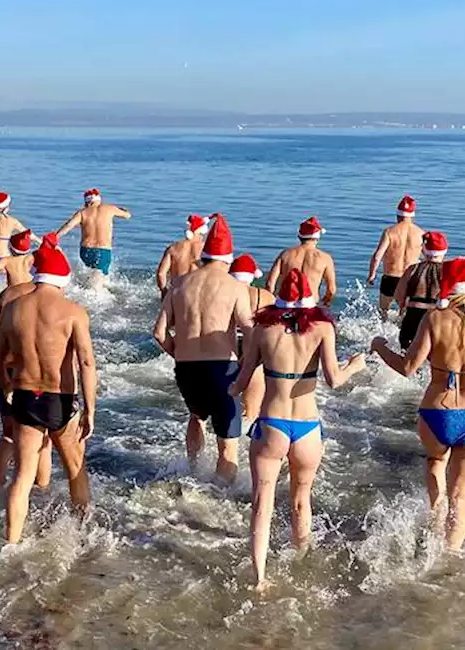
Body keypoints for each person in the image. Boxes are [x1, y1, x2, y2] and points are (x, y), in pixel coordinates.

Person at [230, 269, 366, 591]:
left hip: (271, 425)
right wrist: (355, 366)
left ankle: (260, 578)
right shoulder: (322, 328)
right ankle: (302, 561)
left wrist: (226, 392)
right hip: (307, 427)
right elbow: (334, 380)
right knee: (301, 501)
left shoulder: (263, 329)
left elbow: (242, 380)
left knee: (262, 504)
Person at [371, 257, 465, 550]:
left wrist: (380, 347)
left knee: (435, 463)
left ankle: (434, 521)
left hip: (437, 411)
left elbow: (408, 367)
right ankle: (451, 553)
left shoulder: (435, 318)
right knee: (462, 495)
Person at [0, 236, 97, 543]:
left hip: (26, 397)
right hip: (60, 400)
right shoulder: (73, 311)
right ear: (62, 279)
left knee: (23, 478)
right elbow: (87, 363)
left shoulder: (13, 308)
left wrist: (8, 387)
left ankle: (11, 543)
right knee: (75, 471)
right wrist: (90, 409)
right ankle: (81, 536)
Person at [153, 214, 254, 483]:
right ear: (228, 259)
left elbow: (159, 332)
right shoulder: (235, 287)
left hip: (186, 368)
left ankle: (193, 471)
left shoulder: (179, 284)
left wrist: (179, 352)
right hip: (223, 367)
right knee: (227, 441)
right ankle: (221, 494)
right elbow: (249, 329)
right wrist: (246, 360)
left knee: (196, 416)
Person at [0, 247, 53, 495]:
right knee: (43, 436)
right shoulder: (56, 298)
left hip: (7, 371)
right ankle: (42, 487)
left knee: (8, 432)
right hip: (37, 373)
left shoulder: (9, 294)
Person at [55, 188, 131, 288]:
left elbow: (68, 225)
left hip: (85, 251)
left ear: (87, 202)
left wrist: (55, 237)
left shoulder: (82, 213)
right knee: (101, 279)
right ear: (99, 199)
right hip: (103, 251)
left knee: (90, 275)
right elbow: (127, 216)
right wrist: (124, 210)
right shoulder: (109, 208)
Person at [230, 253, 273, 425]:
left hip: (225, 347)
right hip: (254, 351)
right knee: (251, 412)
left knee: (217, 408)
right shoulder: (265, 296)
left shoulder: (220, 293)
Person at [367, 195, 423, 319]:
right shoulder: (421, 234)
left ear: (398, 215)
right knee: (405, 313)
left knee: (383, 312)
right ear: (412, 216)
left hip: (390, 278)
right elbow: (427, 258)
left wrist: (372, 274)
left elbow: (377, 256)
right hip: (410, 279)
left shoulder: (389, 232)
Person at [392, 231, 449, 351]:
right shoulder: (449, 272)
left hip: (413, 318)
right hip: (437, 319)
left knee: (407, 354)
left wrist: (404, 307)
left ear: (423, 250)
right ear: (445, 251)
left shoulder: (413, 269)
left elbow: (398, 296)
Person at [265, 217, 336, 307]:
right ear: (317, 237)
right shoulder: (325, 258)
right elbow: (331, 290)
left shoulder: (285, 254)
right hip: (310, 305)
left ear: (299, 236)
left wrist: (272, 303)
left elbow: (270, 284)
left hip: (285, 304)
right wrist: (325, 304)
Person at [155, 214, 210, 297]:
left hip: (176, 293)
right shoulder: (206, 250)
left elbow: (161, 274)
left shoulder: (173, 248)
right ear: (202, 232)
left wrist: (164, 292)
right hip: (196, 294)